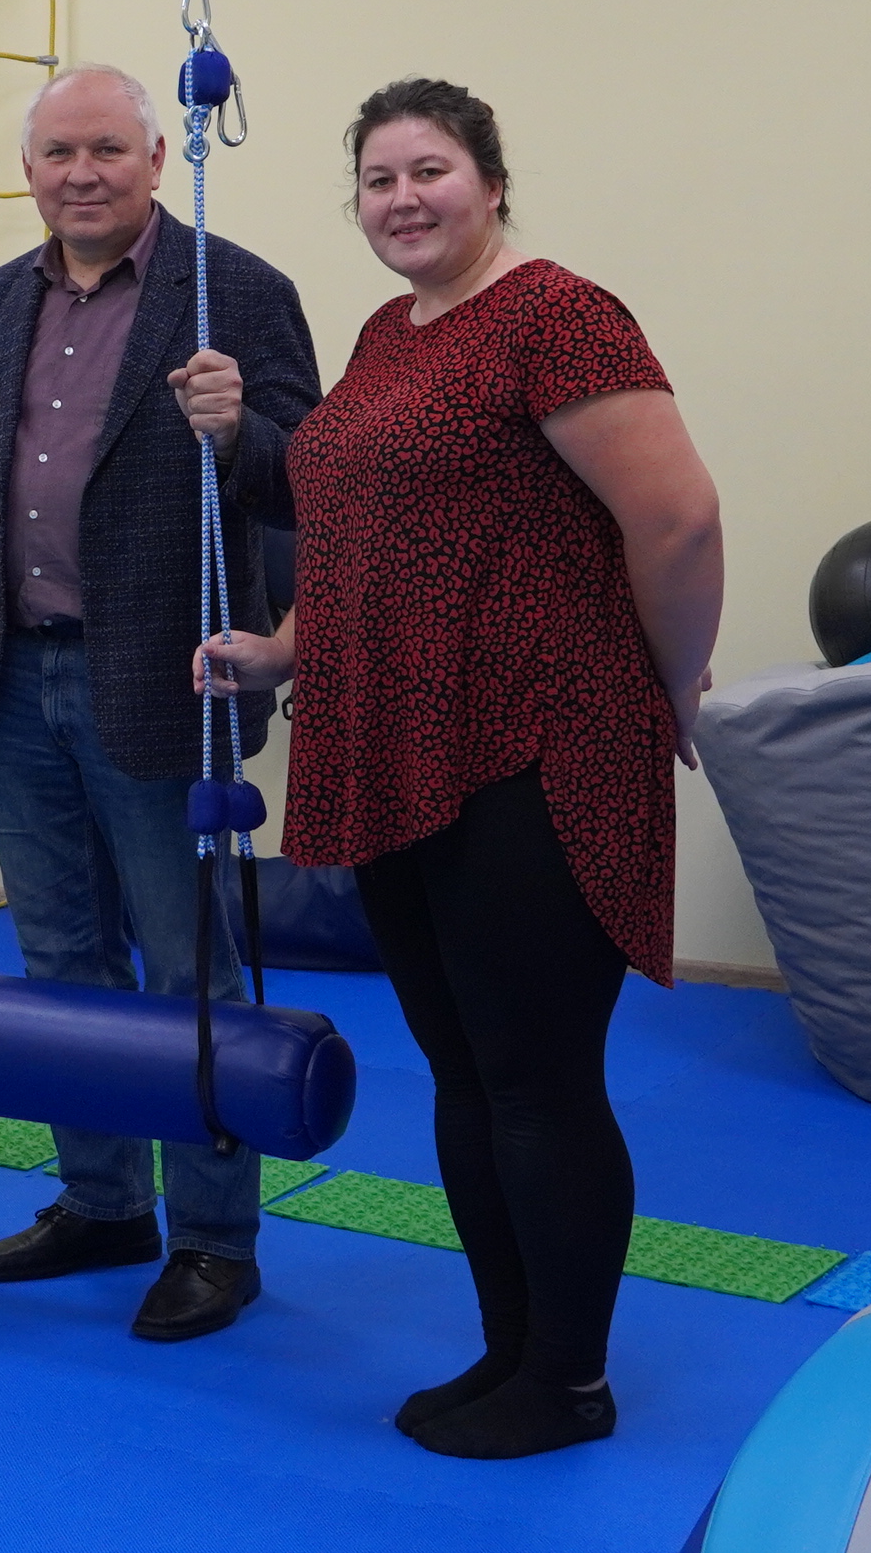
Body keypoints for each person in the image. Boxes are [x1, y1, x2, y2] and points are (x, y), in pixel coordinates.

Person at [195, 79, 722, 1458]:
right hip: (395, 740)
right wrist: (280, 650)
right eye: (377, 180)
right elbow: (366, 541)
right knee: (465, 1073)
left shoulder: (558, 315)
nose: (402, 199)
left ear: (491, 182)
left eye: (428, 170)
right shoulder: (386, 336)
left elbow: (677, 519)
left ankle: (571, 1383)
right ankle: (512, 1350)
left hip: (536, 742)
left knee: (537, 1075)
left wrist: (673, 683)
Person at [0, 64, 319, 1340]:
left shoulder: (235, 288)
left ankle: (213, 1239)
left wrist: (237, 430)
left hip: (161, 678)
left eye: (104, 149)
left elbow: (309, 480)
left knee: (187, 969)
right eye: (57, 153)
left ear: (153, 157)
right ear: (27, 170)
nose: (80, 173)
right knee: (58, 962)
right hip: (14, 677)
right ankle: (103, 1203)